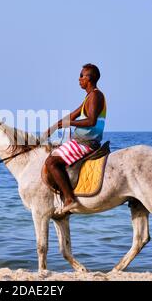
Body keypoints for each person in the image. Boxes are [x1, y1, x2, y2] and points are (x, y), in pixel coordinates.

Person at [43, 63, 107, 214]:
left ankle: (70, 199)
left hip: (86, 143)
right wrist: (54, 127)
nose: (78, 79)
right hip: (79, 141)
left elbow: (91, 121)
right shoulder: (89, 97)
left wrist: (69, 123)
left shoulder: (96, 96)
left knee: (51, 162)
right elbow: (74, 114)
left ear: (89, 78)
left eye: (81, 76)